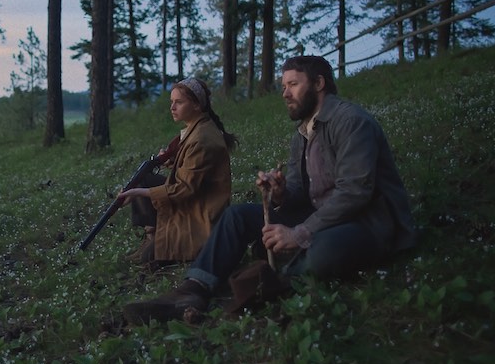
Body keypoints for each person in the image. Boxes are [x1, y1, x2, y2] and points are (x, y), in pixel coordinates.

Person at [123, 56, 417, 324]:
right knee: (238, 216)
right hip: (320, 215)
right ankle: (194, 288)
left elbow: (355, 193)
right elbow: (302, 193)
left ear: (318, 84)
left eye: (293, 84)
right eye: (283, 86)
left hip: (365, 222)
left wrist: (299, 232)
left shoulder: (351, 122)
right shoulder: (303, 132)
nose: (285, 93)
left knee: (322, 251)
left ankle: (261, 286)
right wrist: (279, 193)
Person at [119, 77, 238, 270]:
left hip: (200, 216)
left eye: (179, 102)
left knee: (151, 257)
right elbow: (195, 168)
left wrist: (139, 194)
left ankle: (158, 245)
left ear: (197, 105)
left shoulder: (202, 138)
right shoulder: (198, 128)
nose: (172, 107)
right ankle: (153, 236)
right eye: (171, 102)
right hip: (195, 202)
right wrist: (172, 161)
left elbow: (185, 189)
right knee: (144, 178)